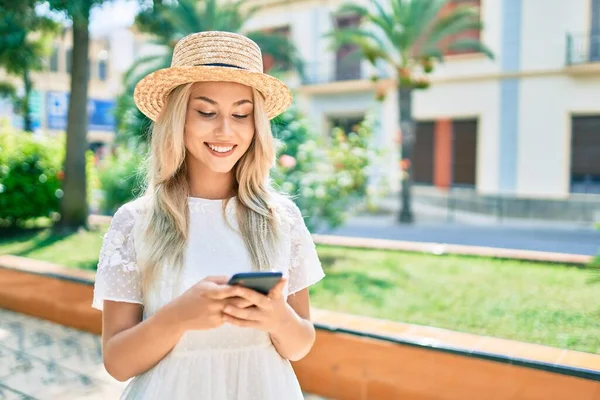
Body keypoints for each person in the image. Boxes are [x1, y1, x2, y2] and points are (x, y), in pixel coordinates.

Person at [92, 31, 325, 399]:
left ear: (256, 125)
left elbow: (299, 345)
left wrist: (278, 317)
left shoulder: (283, 219)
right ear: (177, 118)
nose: (225, 130)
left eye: (241, 114)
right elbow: (117, 363)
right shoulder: (135, 222)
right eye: (206, 111)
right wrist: (178, 316)